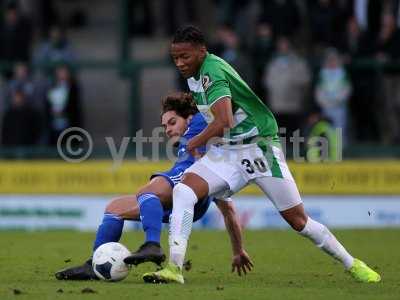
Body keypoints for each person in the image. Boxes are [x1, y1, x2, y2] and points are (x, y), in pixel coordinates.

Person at [140, 25, 381, 284]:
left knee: (298, 221)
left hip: (260, 148)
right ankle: (174, 269)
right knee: (183, 191)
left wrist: (193, 142)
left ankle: (353, 264)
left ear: (202, 51)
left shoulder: (212, 71)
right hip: (229, 152)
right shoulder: (194, 76)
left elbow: (224, 121)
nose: (179, 63)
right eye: (175, 58)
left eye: (184, 56)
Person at [55, 92, 252, 280]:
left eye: (172, 122)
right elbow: (229, 212)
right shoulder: (194, 148)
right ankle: (93, 265)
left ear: (189, 118)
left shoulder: (200, 119)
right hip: (189, 199)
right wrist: (238, 250)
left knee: (147, 191)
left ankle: (152, 244)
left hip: (189, 181)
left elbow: (223, 110)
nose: (168, 130)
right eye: (165, 126)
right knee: (114, 208)